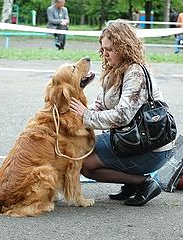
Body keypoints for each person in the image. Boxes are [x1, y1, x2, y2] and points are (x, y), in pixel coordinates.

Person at [70, 21, 176, 206]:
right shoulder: (114, 69)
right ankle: (129, 183)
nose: (105, 54)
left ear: (124, 47)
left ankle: (144, 183)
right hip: (130, 139)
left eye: (110, 49)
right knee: (82, 149)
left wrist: (86, 116)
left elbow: (122, 116)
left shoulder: (136, 73)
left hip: (151, 147)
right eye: (103, 49)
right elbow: (100, 104)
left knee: (86, 163)